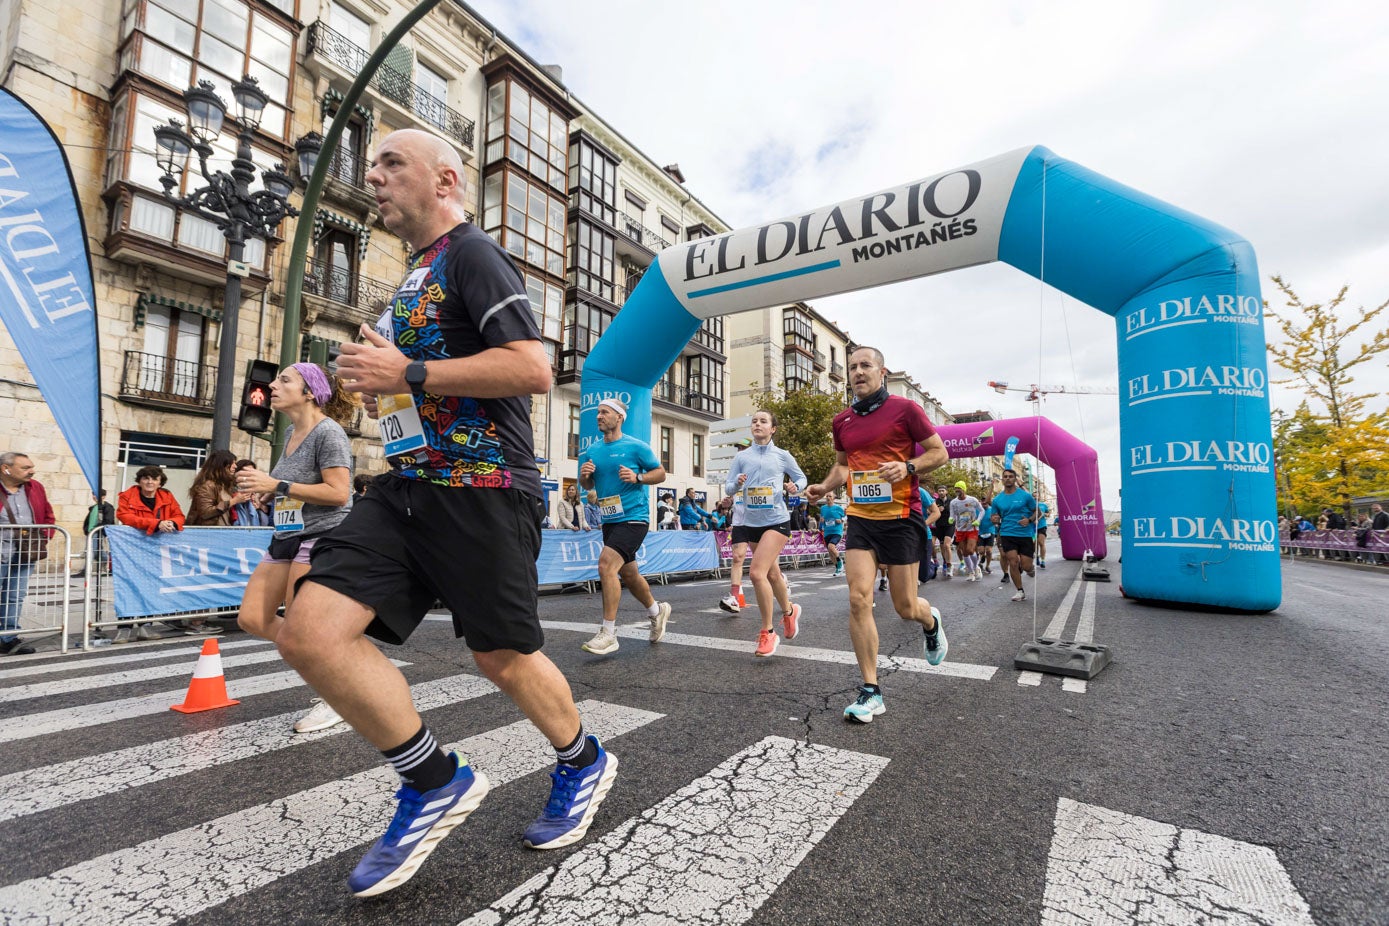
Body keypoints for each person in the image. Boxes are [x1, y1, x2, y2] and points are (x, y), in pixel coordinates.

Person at [273, 128, 617, 897]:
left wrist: (410, 368)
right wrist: (378, 382)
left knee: (501, 657)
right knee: (308, 632)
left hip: (485, 487)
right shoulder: (411, 276)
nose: (375, 177)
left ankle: (583, 760)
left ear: (446, 177)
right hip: (403, 488)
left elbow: (532, 368)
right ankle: (433, 781)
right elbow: (416, 384)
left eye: (392, 164)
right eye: (373, 167)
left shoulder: (471, 252)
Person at [805, 346, 949, 724]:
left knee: (905, 607)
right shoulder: (842, 421)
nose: (857, 372)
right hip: (862, 519)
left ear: (881, 371)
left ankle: (930, 621)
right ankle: (871, 690)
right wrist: (823, 486)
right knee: (858, 599)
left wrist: (908, 466)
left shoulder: (906, 410)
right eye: (852, 367)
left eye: (865, 365)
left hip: (901, 517)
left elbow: (940, 452)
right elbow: (842, 467)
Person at [235, 362, 358, 734]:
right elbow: (286, 486)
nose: (272, 385)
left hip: (320, 536)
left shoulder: (329, 433)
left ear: (309, 392)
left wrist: (276, 485)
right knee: (253, 618)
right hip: (286, 536)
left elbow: (339, 494)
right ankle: (339, 660)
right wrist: (265, 492)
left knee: (301, 633)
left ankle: (338, 696)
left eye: (284, 380)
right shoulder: (290, 432)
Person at [577, 397, 671, 655]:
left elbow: (660, 473)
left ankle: (608, 633)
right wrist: (585, 478)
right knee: (629, 575)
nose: (598, 416)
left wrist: (638, 477)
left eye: (604, 412)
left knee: (606, 565)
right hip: (610, 519)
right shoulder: (593, 450)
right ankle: (657, 610)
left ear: (619, 417)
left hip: (634, 517)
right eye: (597, 412)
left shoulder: (636, 447)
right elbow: (588, 487)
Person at [724, 410, 806, 657]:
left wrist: (795, 487)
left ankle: (768, 632)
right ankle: (790, 611)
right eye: (754, 421)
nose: (757, 424)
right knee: (772, 572)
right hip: (751, 522)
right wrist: (737, 483)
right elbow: (729, 486)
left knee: (757, 573)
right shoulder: (742, 457)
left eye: (763, 421)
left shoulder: (782, 456)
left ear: (773, 429)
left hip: (777, 521)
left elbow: (801, 478)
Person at [115, 465, 188, 642]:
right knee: (128, 586)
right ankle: (124, 627)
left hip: (156, 548)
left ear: (160, 482)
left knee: (150, 586)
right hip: (132, 548)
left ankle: (145, 625)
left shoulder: (167, 496)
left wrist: (171, 522)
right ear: (139, 481)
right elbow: (125, 516)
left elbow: (180, 516)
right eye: (146, 478)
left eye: (154, 479)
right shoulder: (127, 496)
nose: (150, 482)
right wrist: (156, 523)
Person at [1, 452, 54, 656]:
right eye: (25, 467)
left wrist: (45, 536)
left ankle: (7, 638)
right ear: (6, 469)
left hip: (25, 553)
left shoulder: (36, 487)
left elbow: (48, 514)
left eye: (31, 467)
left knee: (15, 595)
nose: (32, 471)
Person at [989, 468, 1038, 601]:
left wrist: (1029, 520)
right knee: (1013, 562)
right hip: (1007, 533)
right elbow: (994, 515)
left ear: (1015, 479)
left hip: (1025, 533)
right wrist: (994, 519)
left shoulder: (1025, 496)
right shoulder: (997, 499)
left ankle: (1030, 568)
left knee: (1026, 565)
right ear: (1002, 479)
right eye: (1005, 476)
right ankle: (1020, 591)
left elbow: (1037, 511)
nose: (1008, 478)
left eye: (1011, 476)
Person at [719, 438, 754, 612]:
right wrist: (728, 502)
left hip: (759, 521)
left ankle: (781, 583)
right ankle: (734, 597)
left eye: (743, 448)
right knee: (737, 557)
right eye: (738, 448)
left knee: (766, 565)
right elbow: (732, 493)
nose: (740, 451)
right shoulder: (734, 472)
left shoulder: (758, 468)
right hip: (740, 521)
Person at [187, 450, 247, 527]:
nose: (235, 466)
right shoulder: (207, 485)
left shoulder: (225, 485)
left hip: (222, 531)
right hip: (207, 533)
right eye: (232, 463)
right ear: (221, 465)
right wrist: (233, 501)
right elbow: (205, 512)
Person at [949, 481, 985, 581]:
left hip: (972, 528)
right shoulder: (953, 502)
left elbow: (982, 510)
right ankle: (971, 572)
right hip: (960, 529)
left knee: (970, 550)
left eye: (959, 488)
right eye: (955, 488)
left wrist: (978, 520)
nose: (957, 490)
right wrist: (951, 519)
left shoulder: (972, 500)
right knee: (964, 552)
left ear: (963, 489)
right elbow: (952, 514)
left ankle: (976, 567)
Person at [231, 461, 274, 527]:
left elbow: (269, 513)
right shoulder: (231, 491)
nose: (248, 476)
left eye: (251, 472)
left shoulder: (260, 491)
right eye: (245, 472)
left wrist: (260, 506)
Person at [84, 488, 116, 573]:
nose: (95, 497)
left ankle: (86, 570)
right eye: (93, 495)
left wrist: (97, 528)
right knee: (97, 552)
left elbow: (108, 520)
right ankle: (111, 564)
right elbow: (89, 521)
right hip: (91, 532)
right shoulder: (93, 508)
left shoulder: (107, 507)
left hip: (98, 532)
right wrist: (86, 529)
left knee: (91, 550)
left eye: (97, 495)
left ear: (103, 496)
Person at [818, 491, 847, 577]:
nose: (828, 498)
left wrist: (841, 520)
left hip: (837, 532)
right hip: (827, 532)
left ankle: (840, 562)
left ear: (833, 498)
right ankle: (838, 568)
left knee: (831, 546)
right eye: (827, 496)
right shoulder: (823, 508)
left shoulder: (838, 508)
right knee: (830, 553)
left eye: (830, 496)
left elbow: (846, 516)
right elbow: (822, 519)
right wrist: (821, 524)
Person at [930, 486, 955, 580]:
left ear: (946, 491)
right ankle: (945, 561)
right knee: (942, 546)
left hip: (950, 525)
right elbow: (929, 511)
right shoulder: (935, 502)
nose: (941, 492)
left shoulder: (951, 501)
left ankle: (949, 566)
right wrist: (936, 510)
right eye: (939, 491)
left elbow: (956, 511)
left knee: (947, 545)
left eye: (942, 490)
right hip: (939, 526)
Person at [976, 491, 996, 575]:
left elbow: (997, 519)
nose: (984, 503)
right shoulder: (977, 510)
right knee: (981, 551)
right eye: (982, 501)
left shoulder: (992, 510)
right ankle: (982, 557)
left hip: (990, 531)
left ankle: (987, 566)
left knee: (988, 551)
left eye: (985, 501)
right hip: (980, 532)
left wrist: (994, 521)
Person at [1035, 501, 1050, 568]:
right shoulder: (1030, 504)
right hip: (1032, 527)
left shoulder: (1043, 505)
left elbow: (1048, 514)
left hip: (1042, 526)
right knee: (1034, 544)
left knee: (1041, 543)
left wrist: (1045, 514)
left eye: (1036, 495)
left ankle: (1043, 560)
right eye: (1034, 496)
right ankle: (1037, 556)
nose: (1035, 497)